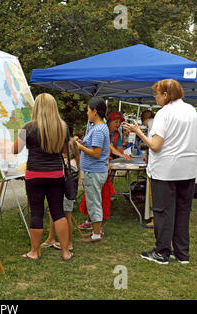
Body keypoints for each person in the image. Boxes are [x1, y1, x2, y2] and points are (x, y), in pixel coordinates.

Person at [123, 79, 197, 265]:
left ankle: (161, 252)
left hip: (166, 171)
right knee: (182, 211)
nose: (154, 97)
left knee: (163, 212)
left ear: (166, 95)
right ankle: (182, 253)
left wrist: (138, 132)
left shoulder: (164, 114)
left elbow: (155, 146)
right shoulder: (191, 111)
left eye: (156, 94)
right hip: (188, 169)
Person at [12, 93, 74, 261]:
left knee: (37, 212)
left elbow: (15, 150)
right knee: (58, 211)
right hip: (56, 174)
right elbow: (63, 151)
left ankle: (34, 251)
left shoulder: (28, 127)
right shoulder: (62, 127)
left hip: (34, 175)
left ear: (37, 107)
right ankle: (65, 252)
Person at [74, 97, 110, 243]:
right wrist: (81, 142)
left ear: (95, 111)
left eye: (88, 110)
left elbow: (96, 153)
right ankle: (95, 230)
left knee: (94, 202)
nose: (87, 113)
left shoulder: (99, 130)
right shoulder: (97, 128)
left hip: (94, 172)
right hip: (94, 171)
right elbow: (90, 145)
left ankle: (96, 234)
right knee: (93, 201)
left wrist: (79, 147)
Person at [41, 138, 80, 251]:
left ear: (70, 150)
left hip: (66, 194)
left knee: (67, 216)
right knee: (52, 214)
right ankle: (51, 238)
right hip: (60, 193)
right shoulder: (67, 161)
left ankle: (69, 243)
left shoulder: (70, 163)